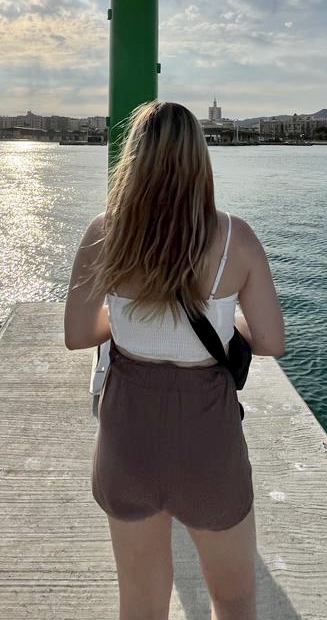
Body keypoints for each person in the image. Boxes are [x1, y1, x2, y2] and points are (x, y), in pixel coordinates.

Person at [64, 100, 285, 620]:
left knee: (140, 603)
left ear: (134, 159)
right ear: (199, 159)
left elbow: (77, 335)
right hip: (208, 439)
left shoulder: (104, 232)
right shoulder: (236, 237)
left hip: (127, 433)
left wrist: (128, 322)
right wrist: (230, 324)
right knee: (232, 600)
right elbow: (272, 341)